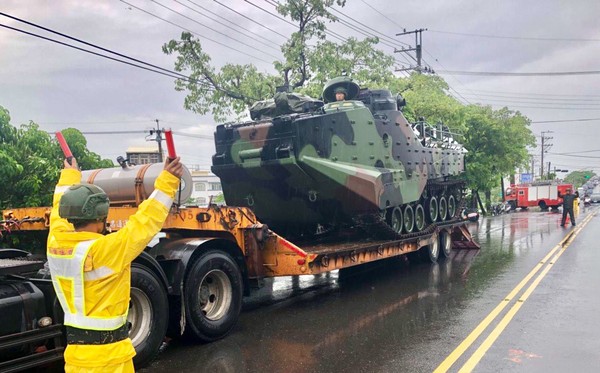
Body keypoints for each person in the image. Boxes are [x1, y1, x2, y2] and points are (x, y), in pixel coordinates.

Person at [47, 156, 183, 372]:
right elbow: (146, 222)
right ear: (101, 218)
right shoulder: (106, 250)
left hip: (76, 358)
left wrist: (70, 175)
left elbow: (57, 212)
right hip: (110, 360)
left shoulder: (55, 243)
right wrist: (168, 179)